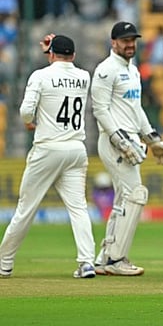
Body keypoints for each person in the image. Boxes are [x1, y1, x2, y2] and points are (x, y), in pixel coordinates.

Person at [0, 34, 96, 279]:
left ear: (51, 54)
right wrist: (52, 51)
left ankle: (4, 263)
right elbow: (63, 68)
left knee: (26, 208)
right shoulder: (84, 77)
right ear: (73, 55)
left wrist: (32, 122)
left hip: (48, 149)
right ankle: (86, 262)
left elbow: (24, 112)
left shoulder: (40, 76)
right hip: (75, 149)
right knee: (78, 208)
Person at [91, 21, 163, 276]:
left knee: (125, 198)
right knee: (136, 194)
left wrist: (152, 139)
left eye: (132, 40)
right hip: (114, 143)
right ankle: (116, 260)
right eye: (125, 40)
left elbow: (137, 111)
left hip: (131, 141)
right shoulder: (106, 70)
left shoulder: (133, 70)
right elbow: (100, 110)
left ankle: (106, 257)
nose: (130, 45)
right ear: (113, 42)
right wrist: (119, 140)